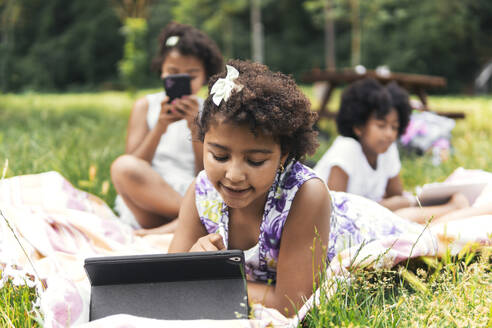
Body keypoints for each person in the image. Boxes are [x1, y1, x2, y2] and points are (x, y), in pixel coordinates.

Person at [168, 60, 435, 316]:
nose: (234, 175)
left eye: (255, 160)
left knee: (431, 234)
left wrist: (210, 281)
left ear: (283, 155)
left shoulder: (305, 196)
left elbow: (290, 304)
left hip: (363, 227)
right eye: (220, 156)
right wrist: (194, 262)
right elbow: (168, 281)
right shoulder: (201, 193)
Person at [110, 22, 223, 231]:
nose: (182, 80)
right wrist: (159, 127)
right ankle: (199, 218)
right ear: (161, 70)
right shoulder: (145, 106)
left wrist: (195, 129)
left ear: (205, 76)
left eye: (191, 75)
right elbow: (135, 163)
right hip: (147, 196)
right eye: (173, 72)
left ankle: (180, 223)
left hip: (190, 191)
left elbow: (208, 171)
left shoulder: (211, 110)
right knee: (122, 166)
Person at [313, 78, 469, 217]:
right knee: (402, 215)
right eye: (381, 126)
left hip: (369, 217)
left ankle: (452, 208)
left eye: (394, 127)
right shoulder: (347, 149)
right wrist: (386, 206)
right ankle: (452, 208)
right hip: (332, 223)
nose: (389, 134)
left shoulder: (387, 150)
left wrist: (395, 204)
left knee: (402, 213)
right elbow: (337, 211)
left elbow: (398, 195)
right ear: (359, 127)